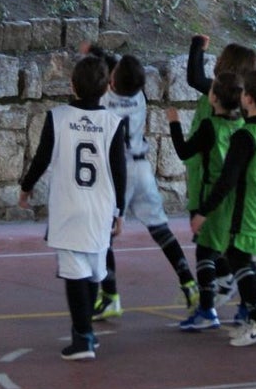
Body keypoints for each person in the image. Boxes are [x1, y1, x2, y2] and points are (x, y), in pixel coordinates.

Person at [19, 54, 128, 360]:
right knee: (94, 273)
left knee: (74, 274)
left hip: (68, 208)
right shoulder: (112, 122)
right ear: (108, 87)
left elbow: (41, 158)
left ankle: (82, 338)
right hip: (100, 208)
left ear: (71, 84)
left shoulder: (58, 117)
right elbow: (119, 170)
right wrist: (120, 211)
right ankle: (87, 334)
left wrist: (26, 187)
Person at [82, 44, 197, 321]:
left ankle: (110, 296)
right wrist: (100, 52)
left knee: (104, 235)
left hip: (116, 171)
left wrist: (95, 51)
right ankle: (189, 282)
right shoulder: (139, 97)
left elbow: (111, 65)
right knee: (160, 228)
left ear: (111, 81)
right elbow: (118, 66)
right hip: (142, 169)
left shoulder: (104, 102)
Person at [191, 69, 256, 347]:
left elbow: (227, 179)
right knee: (242, 259)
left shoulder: (246, 135)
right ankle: (253, 318)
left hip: (248, 207)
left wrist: (204, 211)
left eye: (244, 93)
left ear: (250, 99)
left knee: (238, 259)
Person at [185, 35, 256, 318]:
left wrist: (197, 48)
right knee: (227, 243)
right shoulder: (244, 101)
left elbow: (194, 77)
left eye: (219, 58)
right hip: (221, 175)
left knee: (211, 242)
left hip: (211, 176)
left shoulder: (221, 93)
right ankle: (245, 303)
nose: (214, 61)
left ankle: (223, 297)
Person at [166, 71, 244, 330]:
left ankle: (207, 310)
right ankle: (248, 307)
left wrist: (174, 123)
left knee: (205, 252)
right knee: (235, 254)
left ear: (214, 98)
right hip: (237, 198)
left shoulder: (211, 127)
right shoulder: (242, 125)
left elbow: (184, 151)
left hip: (213, 195)